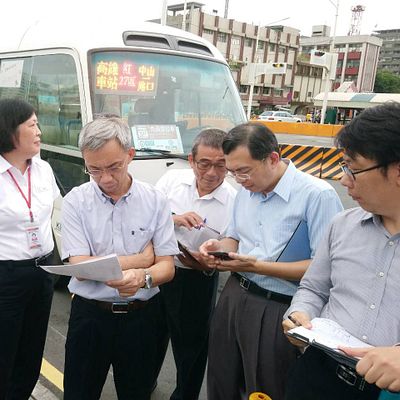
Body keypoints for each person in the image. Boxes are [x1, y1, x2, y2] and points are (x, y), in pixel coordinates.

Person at [199, 122, 343, 400]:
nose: (239, 180)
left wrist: (256, 266)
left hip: (279, 306)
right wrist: (218, 248)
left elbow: (324, 269)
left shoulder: (316, 195)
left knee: (265, 387)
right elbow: (234, 238)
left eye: (244, 171)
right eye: (233, 172)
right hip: (234, 296)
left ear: (273, 158)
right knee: (222, 379)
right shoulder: (245, 192)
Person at [282, 102, 400, 400]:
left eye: (354, 170)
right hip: (318, 374)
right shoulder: (343, 225)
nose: (344, 181)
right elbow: (313, 288)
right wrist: (300, 313)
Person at [61, 116, 178, 400]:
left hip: (142, 319)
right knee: (79, 393)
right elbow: (80, 267)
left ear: (130, 155)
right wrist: (140, 260)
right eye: (94, 170)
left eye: (114, 167)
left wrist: (143, 277)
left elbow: (167, 266)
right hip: (90, 317)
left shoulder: (155, 200)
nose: (106, 179)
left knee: (137, 393)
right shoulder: (75, 201)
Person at [154, 128, 237, 400]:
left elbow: (233, 245)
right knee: (150, 337)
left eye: (221, 165)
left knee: (191, 349)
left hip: (197, 279)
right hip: (158, 271)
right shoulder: (171, 181)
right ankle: (144, 384)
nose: (212, 173)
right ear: (191, 160)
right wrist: (174, 219)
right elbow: (146, 216)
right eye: (204, 164)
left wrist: (212, 258)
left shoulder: (234, 201)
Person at [0, 98, 60, 399]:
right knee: (4, 355)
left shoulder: (44, 169)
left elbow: (56, 213)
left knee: (30, 354)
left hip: (43, 271)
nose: (39, 131)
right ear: (10, 130)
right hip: (6, 276)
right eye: (32, 125)